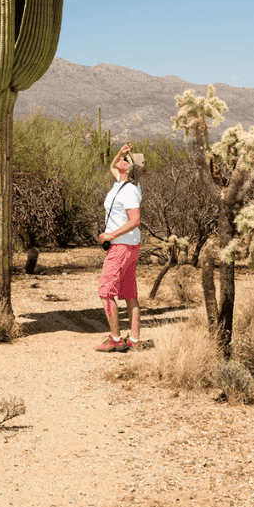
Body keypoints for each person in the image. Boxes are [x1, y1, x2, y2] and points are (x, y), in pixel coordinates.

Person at [95, 142, 142, 352]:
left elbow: (135, 219)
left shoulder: (129, 190)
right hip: (128, 246)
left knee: (106, 291)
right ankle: (134, 339)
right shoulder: (120, 183)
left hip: (121, 246)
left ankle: (115, 339)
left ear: (130, 169)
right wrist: (121, 152)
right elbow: (112, 166)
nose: (122, 160)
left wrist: (111, 235)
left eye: (127, 159)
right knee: (129, 293)